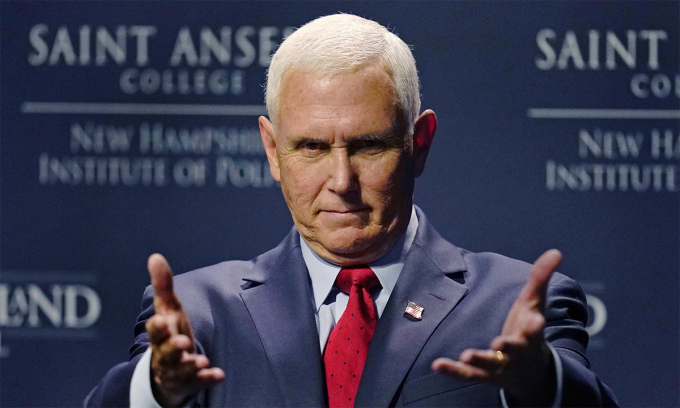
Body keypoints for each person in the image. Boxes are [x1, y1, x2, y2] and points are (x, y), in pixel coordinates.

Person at [84, 13, 618, 408]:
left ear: (419, 143)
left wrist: (540, 384)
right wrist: (154, 391)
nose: (341, 182)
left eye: (368, 146)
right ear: (272, 150)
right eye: (311, 147)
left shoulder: (513, 306)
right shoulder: (199, 315)